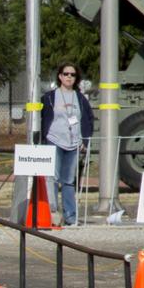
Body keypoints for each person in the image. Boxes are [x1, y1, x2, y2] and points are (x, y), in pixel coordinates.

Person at [39, 61, 94, 227]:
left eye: (72, 74)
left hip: (74, 143)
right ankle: (53, 214)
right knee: (53, 178)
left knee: (69, 181)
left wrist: (84, 140)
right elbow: (41, 117)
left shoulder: (80, 98)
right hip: (54, 140)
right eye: (66, 74)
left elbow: (88, 119)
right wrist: (43, 138)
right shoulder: (50, 97)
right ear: (60, 76)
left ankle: (71, 216)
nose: (69, 77)